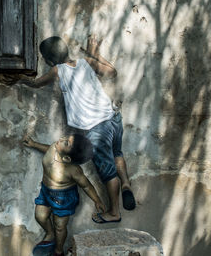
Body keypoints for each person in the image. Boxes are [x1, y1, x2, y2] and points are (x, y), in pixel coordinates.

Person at [10, 35, 136, 226]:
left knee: (108, 173)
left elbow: (36, 83)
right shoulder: (85, 62)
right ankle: (126, 182)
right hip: (113, 117)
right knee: (117, 152)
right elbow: (112, 72)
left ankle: (114, 212)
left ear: (50, 60)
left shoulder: (57, 70)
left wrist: (20, 80)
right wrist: (95, 55)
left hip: (96, 129)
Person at [23, 134, 105, 256]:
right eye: (66, 138)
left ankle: (58, 250)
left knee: (60, 226)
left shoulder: (73, 171)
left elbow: (86, 185)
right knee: (40, 216)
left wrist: (97, 200)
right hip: (46, 192)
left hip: (63, 198)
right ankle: (50, 233)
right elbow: (48, 149)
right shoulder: (54, 147)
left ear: (67, 159)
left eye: (66, 143)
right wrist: (34, 144)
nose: (61, 139)